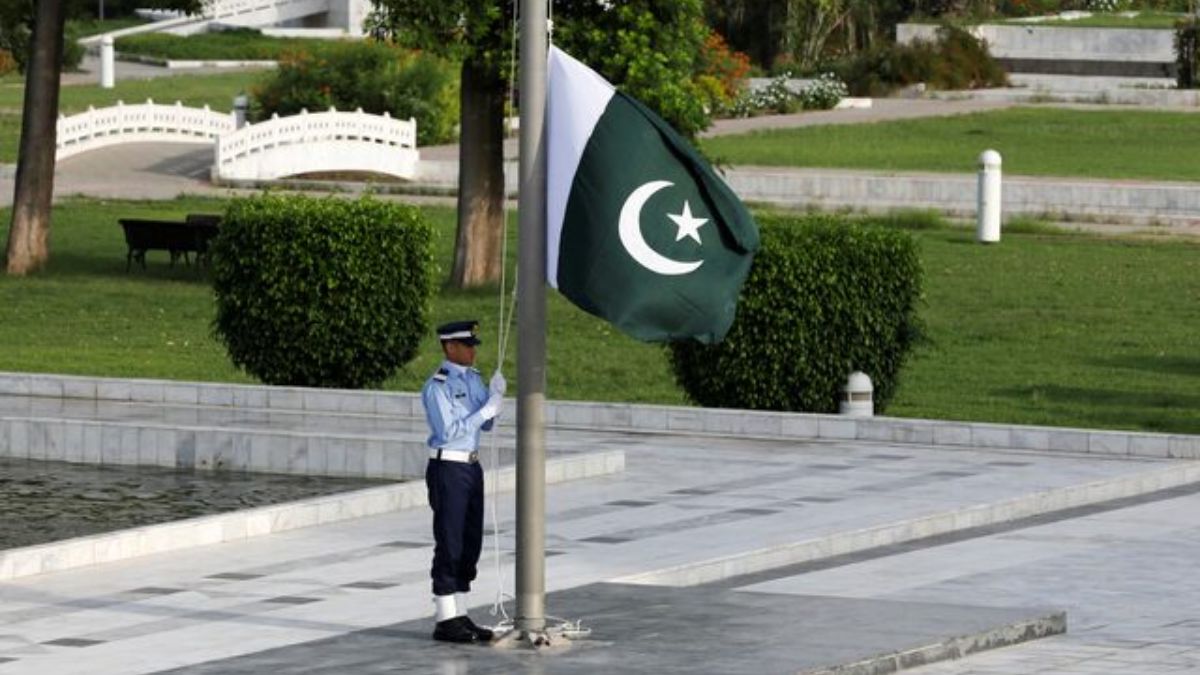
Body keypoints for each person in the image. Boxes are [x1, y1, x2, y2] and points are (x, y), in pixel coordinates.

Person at [421, 319, 506, 644]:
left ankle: (460, 613)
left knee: (470, 543)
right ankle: (445, 618)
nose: (473, 351)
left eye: (473, 345)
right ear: (450, 347)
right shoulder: (438, 386)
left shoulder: (473, 380)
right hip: (448, 469)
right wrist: (486, 411)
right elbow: (449, 432)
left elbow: (483, 427)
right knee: (450, 541)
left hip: (471, 468)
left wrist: (494, 398)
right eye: (467, 345)